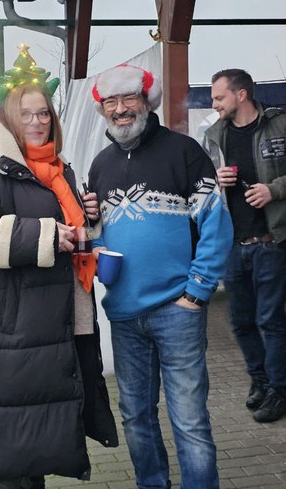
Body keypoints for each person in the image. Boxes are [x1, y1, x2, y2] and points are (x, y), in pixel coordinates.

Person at [0, 46, 118, 489]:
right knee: (13, 453)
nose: (38, 121)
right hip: (9, 336)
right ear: (7, 118)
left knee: (33, 444)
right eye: (26, 114)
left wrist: (85, 216)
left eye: (43, 113)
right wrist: (44, 235)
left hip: (46, 327)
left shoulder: (57, 171)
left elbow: (65, 228)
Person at [87, 63, 233, 489]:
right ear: (102, 110)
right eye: (110, 102)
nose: (120, 109)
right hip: (124, 313)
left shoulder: (183, 151)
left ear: (146, 101)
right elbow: (99, 233)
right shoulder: (100, 165)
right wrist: (95, 234)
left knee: (189, 419)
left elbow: (215, 222)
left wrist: (197, 292)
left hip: (178, 310)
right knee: (135, 417)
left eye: (128, 98)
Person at [203, 68, 286, 423]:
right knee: (241, 322)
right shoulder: (213, 136)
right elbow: (200, 187)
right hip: (233, 245)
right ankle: (261, 382)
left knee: (271, 321)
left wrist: (274, 190)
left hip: (271, 242)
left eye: (219, 97)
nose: (214, 104)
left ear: (241, 95)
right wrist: (214, 180)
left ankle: (279, 390)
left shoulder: (279, 125)